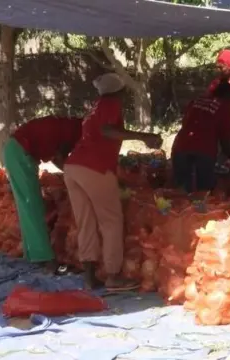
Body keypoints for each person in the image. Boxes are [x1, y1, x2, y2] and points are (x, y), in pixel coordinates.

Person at [64, 73, 163, 291]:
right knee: (111, 221)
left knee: (86, 223)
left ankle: (90, 277)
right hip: (94, 168)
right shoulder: (110, 103)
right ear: (118, 91)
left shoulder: (96, 105)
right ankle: (113, 276)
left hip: (73, 167)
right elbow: (107, 130)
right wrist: (143, 136)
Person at [4, 115, 83, 272]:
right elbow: (60, 157)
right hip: (20, 153)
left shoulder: (68, 126)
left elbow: (56, 156)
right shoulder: (75, 131)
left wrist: (70, 174)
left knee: (31, 208)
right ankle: (47, 260)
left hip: (15, 151)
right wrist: (75, 177)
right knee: (31, 206)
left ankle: (34, 254)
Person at [172, 81, 230, 193]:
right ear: (228, 96)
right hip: (204, 150)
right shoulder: (224, 108)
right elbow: (225, 141)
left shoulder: (197, 101)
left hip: (180, 146)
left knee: (181, 191)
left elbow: (185, 122)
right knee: (204, 192)